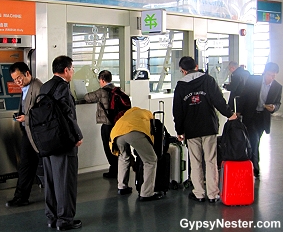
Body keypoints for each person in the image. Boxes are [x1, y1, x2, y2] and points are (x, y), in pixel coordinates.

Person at [173, 56, 236, 203]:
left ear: (182, 70)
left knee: (195, 162)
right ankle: (213, 194)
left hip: (191, 130)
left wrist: (179, 131)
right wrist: (230, 114)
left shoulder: (181, 86)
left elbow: (178, 111)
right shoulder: (208, 80)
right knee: (211, 161)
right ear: (196, 66)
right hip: (209, 127)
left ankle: (199, 193)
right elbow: (218, 100)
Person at [40, 55, 84, 231]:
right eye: (72, 69)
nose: (72, 72)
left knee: (50, 181)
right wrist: (77, 136)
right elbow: (68, 115)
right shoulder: (62, 87)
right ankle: (65, 219)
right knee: (65, 180)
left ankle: (52, 217)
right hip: (63, 141)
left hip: (46, 141)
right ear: (66, 70)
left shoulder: (45, 86)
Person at [6, 62, 43, 207]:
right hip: (28, 133)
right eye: (14, 80)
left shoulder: (38, 87)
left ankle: (22, 196)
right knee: (26, 166)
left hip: (36, 134)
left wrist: (26, 118)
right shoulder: (26, 87)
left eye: (19, 78)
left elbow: (44, 113)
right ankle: (21, 197)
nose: (17, 82)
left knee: (31, 165)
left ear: (27, 73)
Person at [237, 62, 282, 178]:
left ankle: (251, 166)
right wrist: (238, 112)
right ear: (264, 72)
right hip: (250, 115)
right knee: (253, 140)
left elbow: (278, 103)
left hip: (262, 118)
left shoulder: (277, 87)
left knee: (255, 141)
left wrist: (273, 107)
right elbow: (244, 95)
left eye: (273, 75)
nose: (271, 78)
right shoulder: (253, 80)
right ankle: (254, 168)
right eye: (269, 75)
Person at [109, 107, 163, 201]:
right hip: (134, 131)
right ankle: (146, 193)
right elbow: (153, 130)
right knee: (151, 160)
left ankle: (122, 187)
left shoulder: (127, 115)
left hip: (117, 134)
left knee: (123, 157)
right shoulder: (147, 114)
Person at [84, 70, 118, 179]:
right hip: (117, 124)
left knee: (108, 147)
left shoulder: (101, 92)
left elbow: (87, 97)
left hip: (107, 124)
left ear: (102, 80)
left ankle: (113, 169)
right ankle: (119, 168)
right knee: (116, 146)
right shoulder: (117, 90)